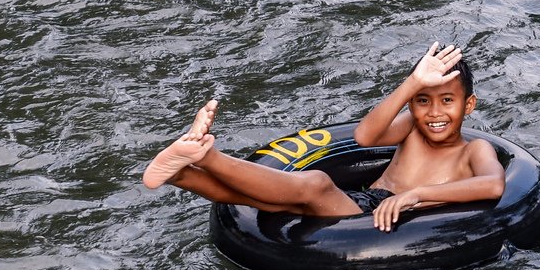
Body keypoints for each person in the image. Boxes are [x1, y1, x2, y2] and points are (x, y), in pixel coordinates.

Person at [142, 43, 506, 233]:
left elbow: (491, 185)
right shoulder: (411, 126)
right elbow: (366, 136)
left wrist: (416, 195)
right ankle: (182, 175)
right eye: (423, 101)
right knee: (275, 201)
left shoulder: (474, 149)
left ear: (469, 104)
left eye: (447, 101)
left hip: (386, 221)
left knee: (314, 183)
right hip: (365, 202)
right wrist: (411, 83)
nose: (435, 113)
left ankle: (206, 158)